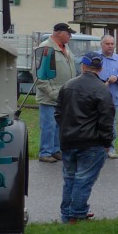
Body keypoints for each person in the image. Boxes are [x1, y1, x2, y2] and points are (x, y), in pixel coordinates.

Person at [55, 52, 115, 223]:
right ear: (100, 68)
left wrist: (66, 130)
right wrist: (107, 142)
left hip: (68, 140)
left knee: (70, 178)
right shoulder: (101, 89)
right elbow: (106, 120)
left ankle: (67, 214)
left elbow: (58, 113)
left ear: (83, 66)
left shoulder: (67, 86)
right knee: (84, 179)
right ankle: (77, 214)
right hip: (92, 142)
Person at [32, 22, 76, 163]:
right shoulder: (46, 48)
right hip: (49, 97)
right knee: (49, 126)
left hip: (64, 95)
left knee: (59, 125)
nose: (70, 36)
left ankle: (56, 150)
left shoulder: (65, 48)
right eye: (68, 33)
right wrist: (52, 93)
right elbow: (39, 76)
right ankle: (45, 152)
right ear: (58, 32)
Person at [97, 34, 118, 159]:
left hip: (113, 98)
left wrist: (117, 77)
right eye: (107, 44)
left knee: (111, 123)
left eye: (112, 44)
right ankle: (97, 149)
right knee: (95, 122)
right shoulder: (95, 57)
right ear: (101, 45)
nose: (110, 46)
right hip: (96, 98)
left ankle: (110, 148)